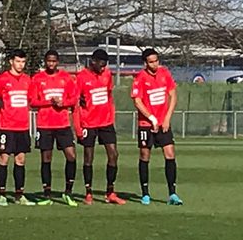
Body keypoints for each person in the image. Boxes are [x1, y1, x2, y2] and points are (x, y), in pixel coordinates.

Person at [74, 48, 126, 205]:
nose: (103, 68)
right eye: (101, 65)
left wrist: (112, 115)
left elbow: (109, 96)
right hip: (88, 123)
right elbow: (76, 103)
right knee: (89, 157)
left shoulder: (107, 74)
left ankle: (110, 191)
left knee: (114, 154)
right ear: (93, 61)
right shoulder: (81, 77)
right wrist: (77, 127)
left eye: (105, 65)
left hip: (106, 122)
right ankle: (88, 192)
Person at [131, 48, 183, 206]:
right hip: (146, 124)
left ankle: (172, 193)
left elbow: (173, 95)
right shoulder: (140, 78)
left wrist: (166, 118)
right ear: (145, 63)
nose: (155, 64)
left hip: (163, 123)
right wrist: (151, 117)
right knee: (145, 155)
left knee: (170, 153)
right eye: (151, 61)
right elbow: (137, 101)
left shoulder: (164, 73)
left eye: (156, 60)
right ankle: (145, 193)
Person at [29, 50, 79, 207]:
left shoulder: (66, 78)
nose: (51, 63)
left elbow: (74, 99)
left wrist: (62, 103)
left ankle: (68, 192)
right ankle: (47, 194)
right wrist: (49, 101)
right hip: (45, 125)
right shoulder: (37, 79)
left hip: (63, 124)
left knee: (71, 156)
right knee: (46, 159)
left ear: (58, 61)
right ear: (45, 61)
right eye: (48, 61)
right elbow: (32, 102)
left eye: (54, 61)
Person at [0, 49, 35, 206]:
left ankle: (19, 194)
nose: (20, 65)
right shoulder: (2, 79)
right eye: (18, 61)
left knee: (20, 160)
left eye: (23, 62)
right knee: (4, 158)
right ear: (11, 62)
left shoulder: (28, 80)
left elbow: (31, 101)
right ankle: (1, 194)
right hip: (7, 127)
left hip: (22, 127)